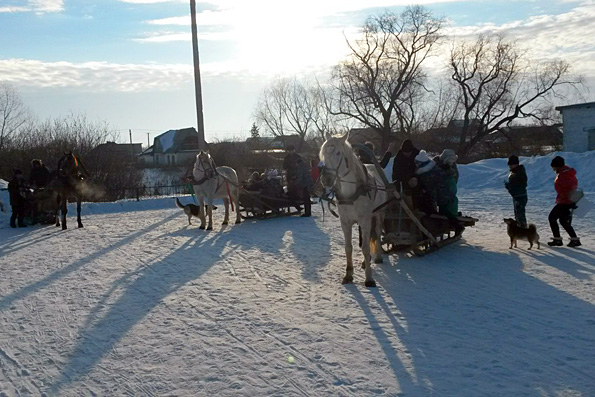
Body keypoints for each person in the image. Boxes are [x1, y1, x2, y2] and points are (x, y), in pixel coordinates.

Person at [548, 156, 581, 247]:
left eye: (553, 167)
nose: (553, 169)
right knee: (563, 221)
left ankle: (558, 239)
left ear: (558, 166)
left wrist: (570, 201)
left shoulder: (564, 175)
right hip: (567, 201)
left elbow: (569, 189)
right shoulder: (567, 173)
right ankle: (574, 240)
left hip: (565, 202)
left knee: (552, 218)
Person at [504, 155, 528, 228]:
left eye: (511, 164)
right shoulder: (514, 172)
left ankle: (523, 230)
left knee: (520, 215)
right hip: (516, 196)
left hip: (520, 196)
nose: (510, 166)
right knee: (517, 214)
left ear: (516, 164)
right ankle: (520, 230)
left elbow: (520, 184)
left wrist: (510, 186)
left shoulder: (519, 172)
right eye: (509, 165)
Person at [283, 145, 303, 210]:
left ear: (294, 150)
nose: (290, 152)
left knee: (297, 190)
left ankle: (298, 202)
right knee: (291, 191)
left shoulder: (297, 157)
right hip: (290, 176)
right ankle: (296, 204)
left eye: (291, 150)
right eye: (289, 151)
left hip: (297, 175)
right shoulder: (287, 158)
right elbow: (284, 167)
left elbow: (301, 165)